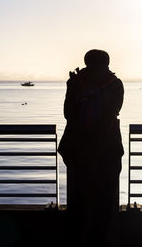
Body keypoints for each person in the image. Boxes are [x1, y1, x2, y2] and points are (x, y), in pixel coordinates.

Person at [58, 49, 124, 245]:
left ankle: (77, 240)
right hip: (107, 151)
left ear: (86, 62)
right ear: (107, 63)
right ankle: (102, 240)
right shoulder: (115, 84)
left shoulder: (75, 82)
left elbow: (68, 113)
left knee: (79, 203)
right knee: (105, 204)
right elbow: (115, 110)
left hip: (78, 151)